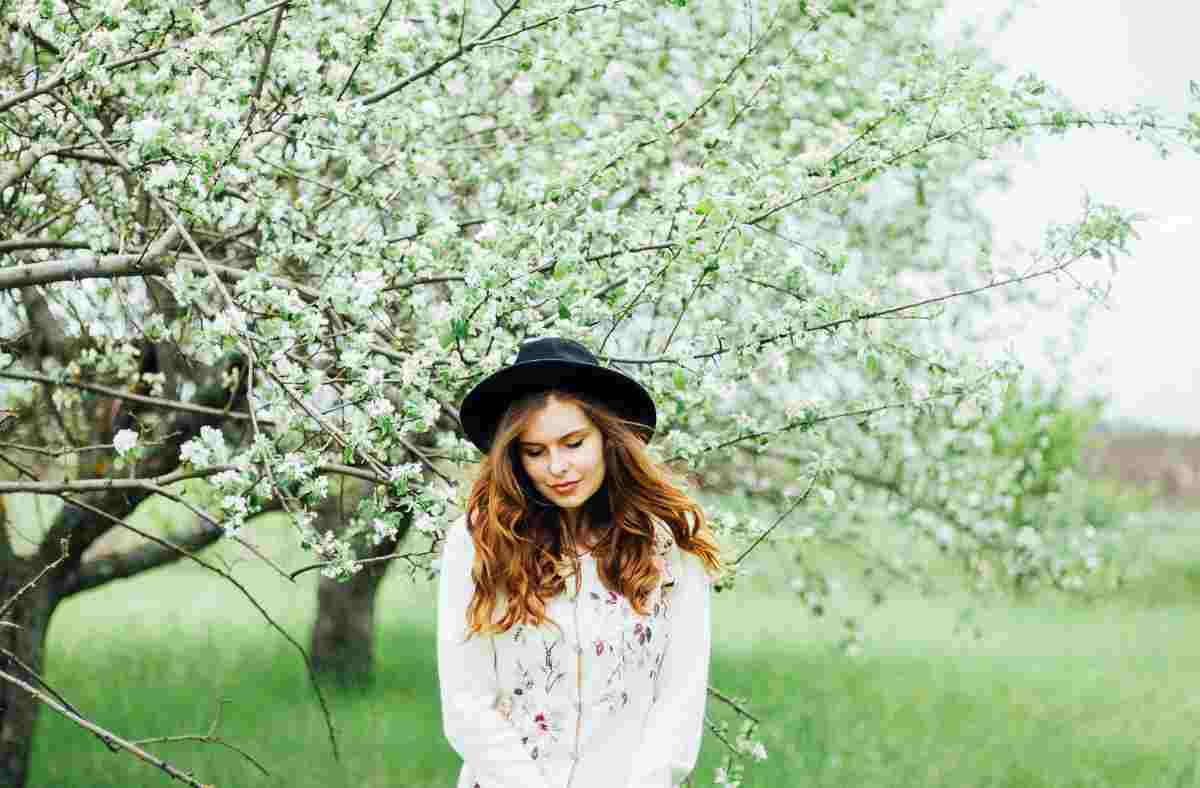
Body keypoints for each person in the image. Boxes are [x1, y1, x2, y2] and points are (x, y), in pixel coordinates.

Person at [438, 337, 724, 788]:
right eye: (535, 451)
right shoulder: (478, 543)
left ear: (609, 439)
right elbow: (466, 702)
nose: (557, 466)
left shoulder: (669, 545)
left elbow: (679, 698)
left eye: (573, 443)